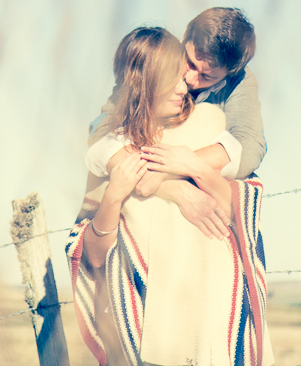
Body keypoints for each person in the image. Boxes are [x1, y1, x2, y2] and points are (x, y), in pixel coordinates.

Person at [66, 27, 272, 366]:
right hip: (146, 322)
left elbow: (235, 207)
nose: (187, 84)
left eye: (190, 75)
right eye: (176, 75)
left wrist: (190, 166)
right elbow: (92, 254)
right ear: (141, 86)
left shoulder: (211, 125)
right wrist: (152, 190)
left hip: (212, 323)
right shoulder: (116, 148)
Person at [86, 8, 266, 240]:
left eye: (207, 76)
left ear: (230, 74)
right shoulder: (153, 64)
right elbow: (100, 133)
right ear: (184, 37)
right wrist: (174, 188)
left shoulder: (241, 80)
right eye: (190, 63)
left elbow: (249, 147)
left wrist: (176, 167)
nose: (190, 80)